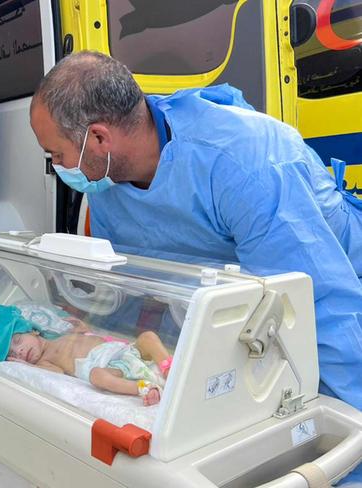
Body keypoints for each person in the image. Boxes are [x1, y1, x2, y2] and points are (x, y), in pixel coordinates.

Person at [30, 51, 362, 483]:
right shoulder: (107, 181)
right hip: (246, 301)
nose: (56, 168)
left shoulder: (245, 163)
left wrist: (347, 438)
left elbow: (320, 309)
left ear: (98, 138)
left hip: (336, 290)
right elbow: (137, 284)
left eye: (55, 154)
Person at [0, 305, 172, 406]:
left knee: (148, 337)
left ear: (32, 330)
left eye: (17, 341)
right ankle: (144, 388)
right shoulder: (45, 361)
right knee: (97, 376)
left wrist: (86, 330)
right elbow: (54, 374)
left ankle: (169, 369)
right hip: (113, 366)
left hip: (124, 351)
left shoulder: (62, 335)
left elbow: (95, 339)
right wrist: (27, 367)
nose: (21, 351)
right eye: (14, 354)